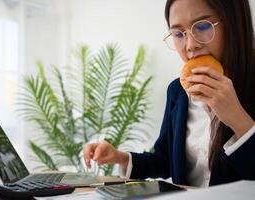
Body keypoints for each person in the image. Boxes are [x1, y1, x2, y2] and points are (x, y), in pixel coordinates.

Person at [83, 0, 255, 187]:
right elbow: (164, 160)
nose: (190, 45)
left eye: (203, 26)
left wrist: (238, 119)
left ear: (234, 24)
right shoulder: (177, 92)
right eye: (178, 34)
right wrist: (121, 157)